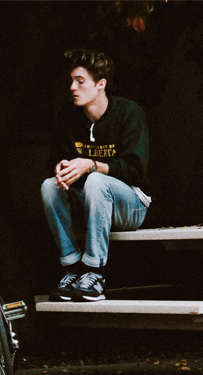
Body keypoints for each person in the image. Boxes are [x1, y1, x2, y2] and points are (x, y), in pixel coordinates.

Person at [42, 49, 152, 302]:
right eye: (71, 80)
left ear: (100, 84)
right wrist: (61, 167)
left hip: (131, 205)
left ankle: (95, 272)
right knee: (49, 186)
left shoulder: (128, 113)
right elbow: (53, 160)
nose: (72, 87)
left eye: (80, 81)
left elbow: (135, 170)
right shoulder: (68, 117)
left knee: (96, 179)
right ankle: (71, 268)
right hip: (89, 203)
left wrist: (90, 164)